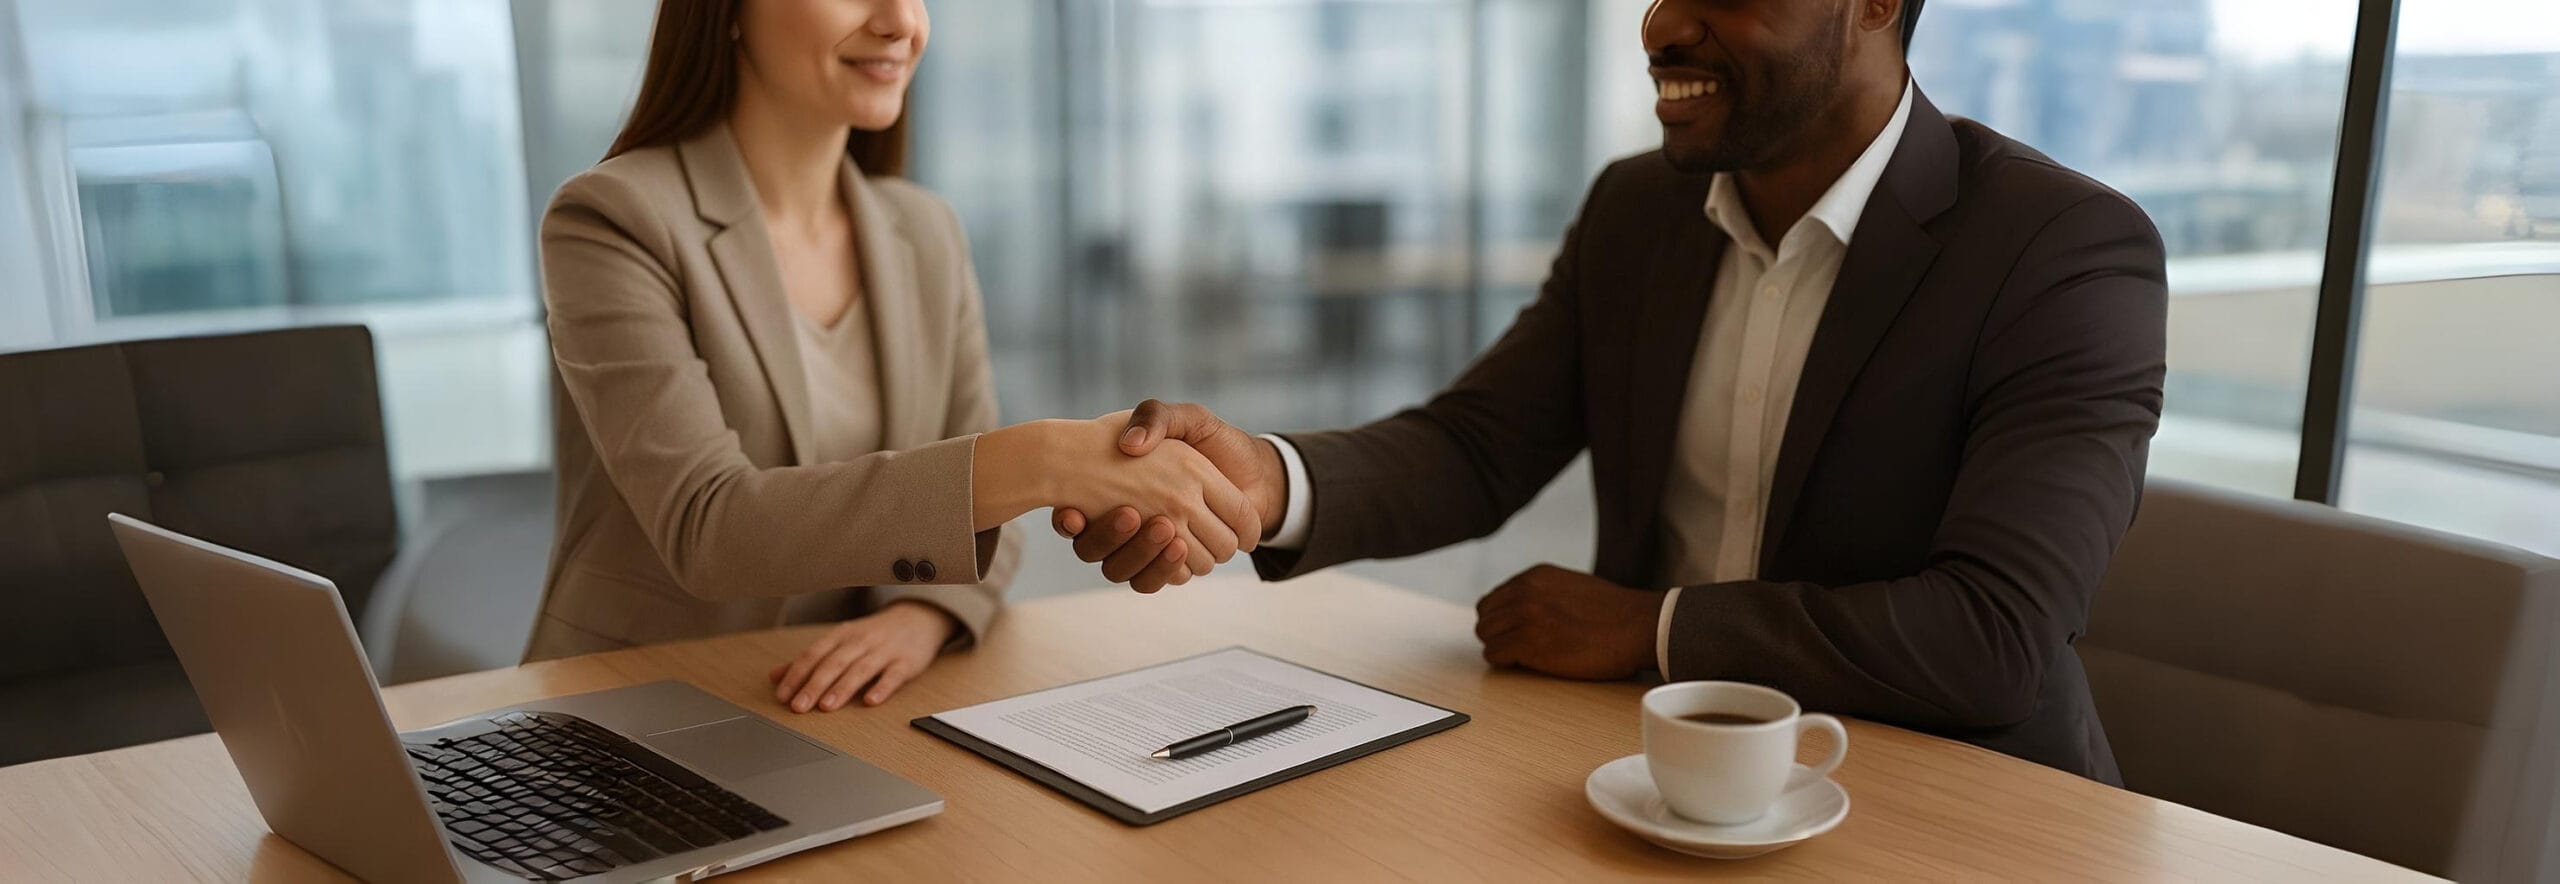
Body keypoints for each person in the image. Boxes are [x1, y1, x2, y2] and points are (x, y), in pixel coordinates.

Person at [1058, 0, 2165, 783]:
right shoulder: (1640, 210)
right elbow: (1481, 445)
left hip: (1954, 801)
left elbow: (1994, 633)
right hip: (1651, 781)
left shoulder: (2060, 248)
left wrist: (1656, 626)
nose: (1660, 24)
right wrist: (1272, 480)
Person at [529, 0, 1258, 713]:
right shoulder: (613, 220)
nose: (900, 22)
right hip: (629, 712)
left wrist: (924, 616)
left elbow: (984, 521)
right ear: (726, 11)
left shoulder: (924, 230)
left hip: (839, 712)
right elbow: (708, 526)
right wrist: (1046, 459)